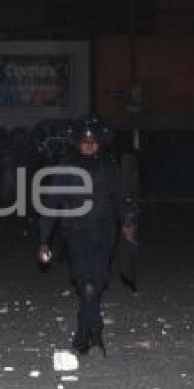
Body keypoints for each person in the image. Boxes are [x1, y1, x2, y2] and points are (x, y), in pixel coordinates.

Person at [38, 115, 138, 356]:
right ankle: (95, 333)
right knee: (88, 286)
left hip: (105, 234)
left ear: (100, 142)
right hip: (76, 234)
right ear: (77, 142)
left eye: (93, 141)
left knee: (97, 283)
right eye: (85, 141)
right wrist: (43, 240)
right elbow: (51, 204)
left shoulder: (109, 166)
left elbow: (122, 197)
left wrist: (128, 220)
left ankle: (83, 334)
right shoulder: (66, 167)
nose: (89, 145)